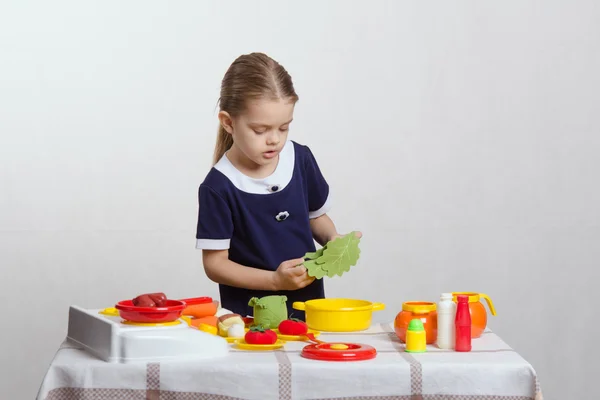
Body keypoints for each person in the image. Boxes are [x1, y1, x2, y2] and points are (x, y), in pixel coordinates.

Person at [195, 52, 361, 319]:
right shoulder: (218, 187)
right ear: (228, 122)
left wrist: (334, 240)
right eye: (260, 130)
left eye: (283, 128)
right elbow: (215, 264)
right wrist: (274, 281)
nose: (274, 140)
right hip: (249, 318)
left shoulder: (301, 159)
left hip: (308, 309)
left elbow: (314, 217)